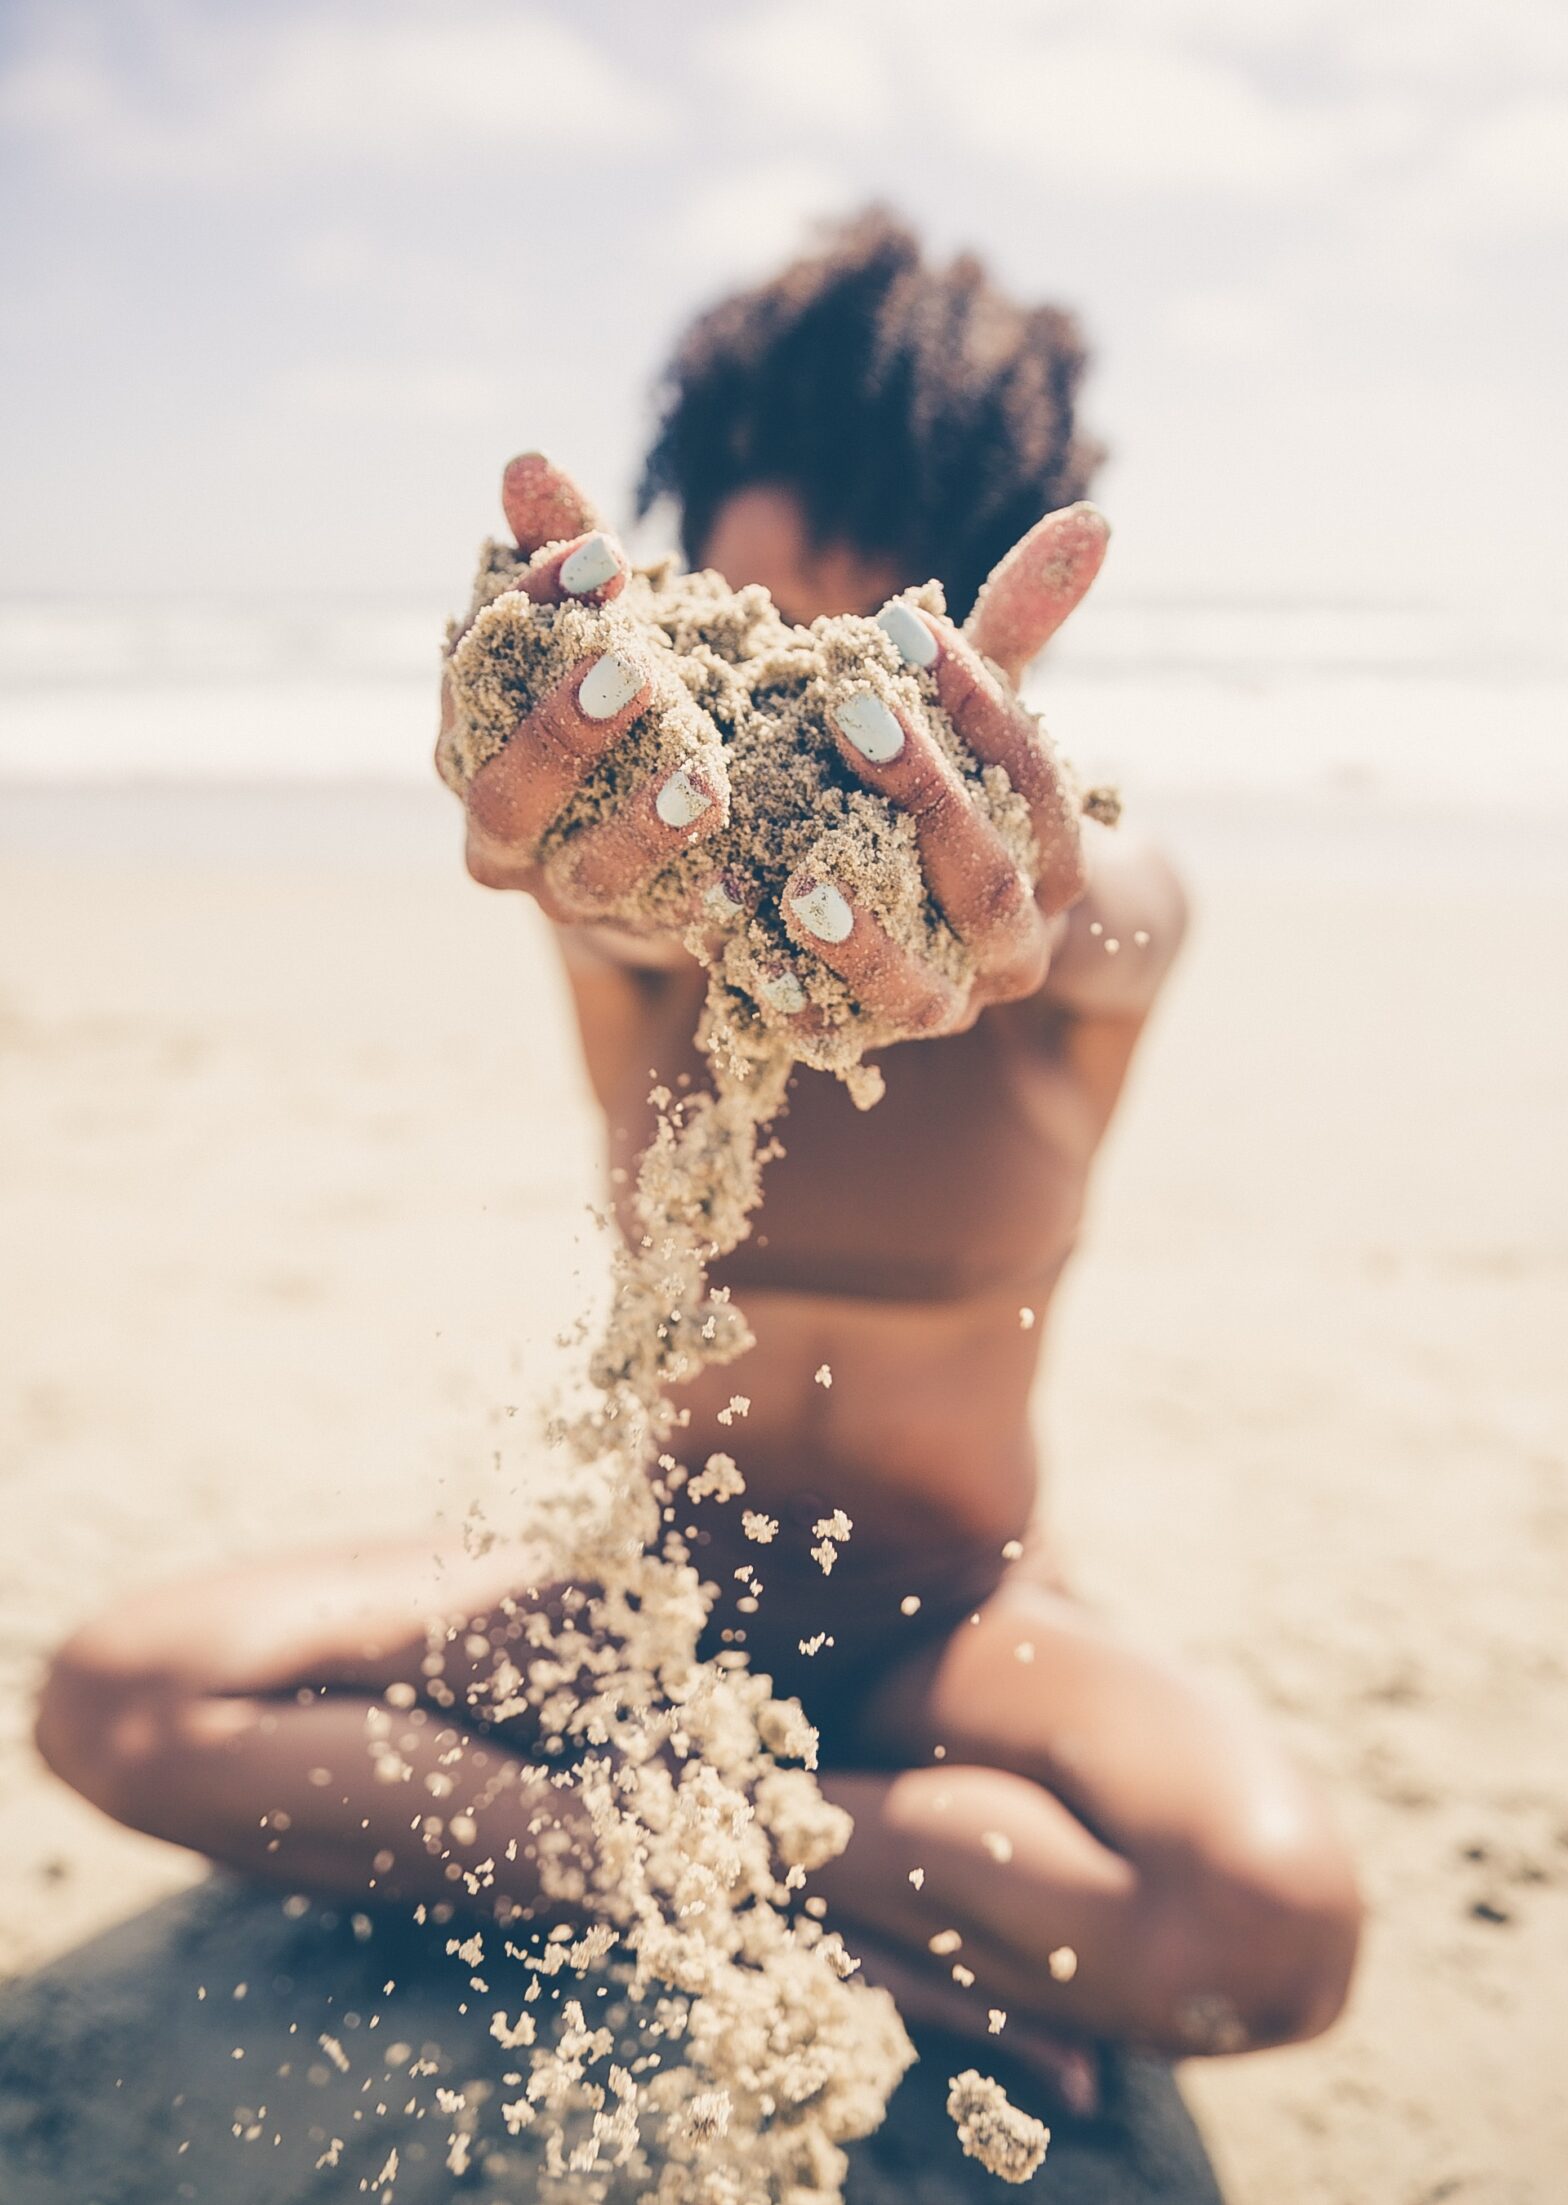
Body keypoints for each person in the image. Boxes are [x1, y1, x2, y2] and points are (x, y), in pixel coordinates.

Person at [34, 211, 1360, 2115]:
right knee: (120, 1696)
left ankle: (670, 1849)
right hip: (638, 1596)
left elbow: (1099, 906)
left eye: (873, 644)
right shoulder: (638, 896)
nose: (811, 706)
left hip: (949, 1615)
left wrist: (1003, 877)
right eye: (763, 650)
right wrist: (588, 835)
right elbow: (617, 905)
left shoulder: (1085, 924)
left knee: (1273, 1919)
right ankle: (762, 1876)